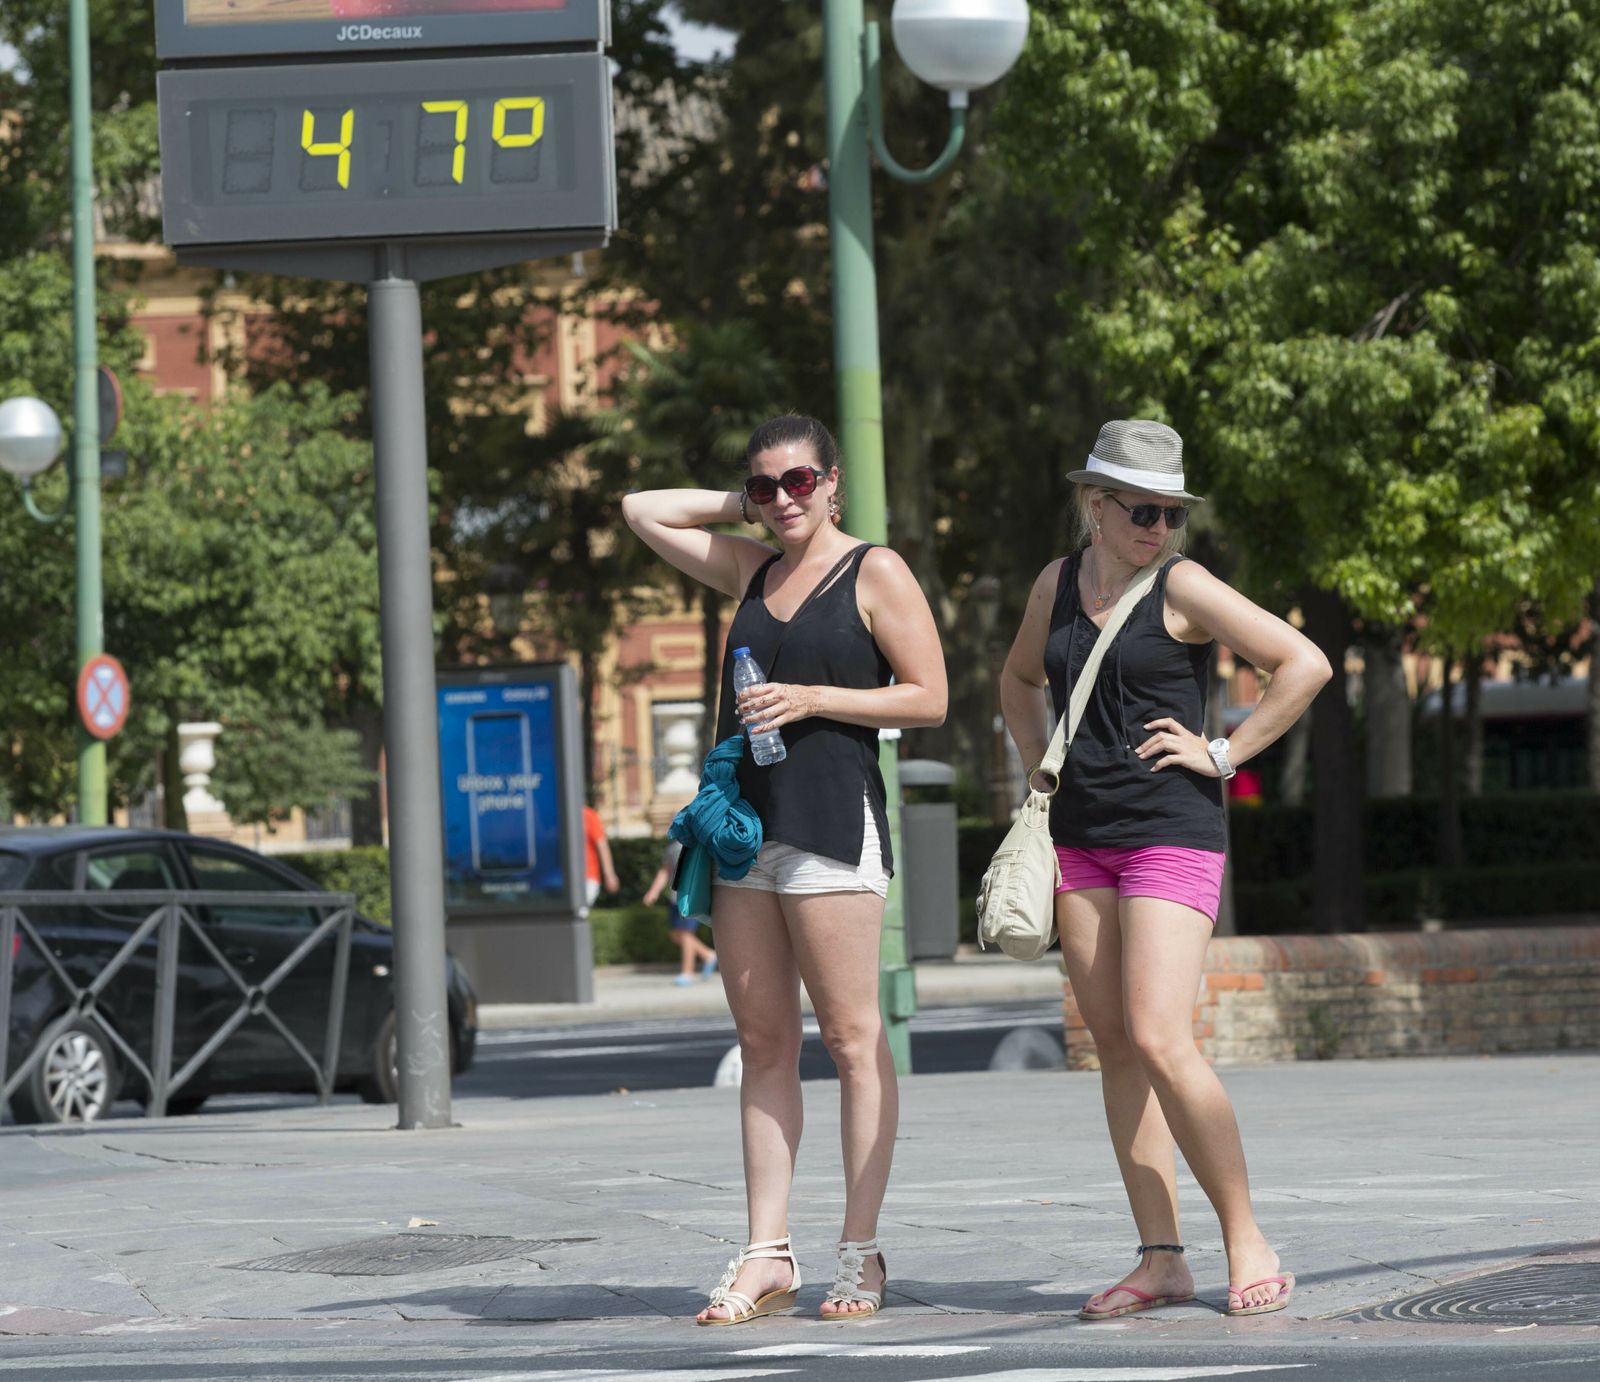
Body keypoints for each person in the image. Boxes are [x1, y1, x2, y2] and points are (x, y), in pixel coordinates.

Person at [998, 419, 1331, 1320]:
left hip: (1170, 829)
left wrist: (1225, 752)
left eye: (1171, 512)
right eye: (1142, 510)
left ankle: (1246, 1236)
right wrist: (1042, 766)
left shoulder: (1182, 585)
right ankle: (1161, 1258)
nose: (1159, 526)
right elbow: (1018, 680)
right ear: (1093, 506)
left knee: (1158, 1033)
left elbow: (1304, 663)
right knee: (1114, 1046)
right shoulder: (1056, 586)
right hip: (1081, 835)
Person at [622, 413, 946, 1324]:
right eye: (767, 487)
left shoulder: (874, 570)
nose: (784, 499)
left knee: (851, 1041)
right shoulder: (751, 567)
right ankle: (768, 1251)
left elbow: (931, 695)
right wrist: (750, 508)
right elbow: (642, 509)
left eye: (801, 481)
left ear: (834, 481)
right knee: (764, 1044)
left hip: (834, 828)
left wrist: (813, 698)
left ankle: (860, 1249)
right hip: (745, 836)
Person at [642, 838, 718, 986]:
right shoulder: (672, 847)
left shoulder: (697, 842)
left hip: (690, 896)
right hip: (674, 897)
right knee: (675, 934)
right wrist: (653, 891)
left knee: (685, 934)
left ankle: (687, 972)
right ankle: (708, 955)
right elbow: (665, 870)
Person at [582, 803, 620, 908]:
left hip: (588, 877)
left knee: (578, 913)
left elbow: (602, 846)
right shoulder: (558, 815)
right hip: (566, 877)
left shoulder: (588, 815)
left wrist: (609, 875)